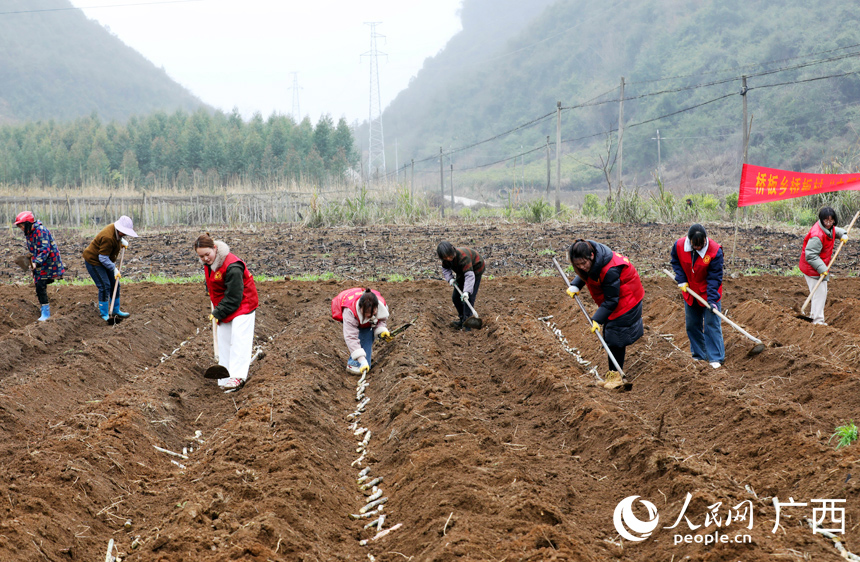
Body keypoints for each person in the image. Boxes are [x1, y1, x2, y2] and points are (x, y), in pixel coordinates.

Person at [565, 239, 644, 386]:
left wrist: (597, 319)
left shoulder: (610, 270)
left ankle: (615, 378)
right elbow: (589, 272)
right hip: (616, 296)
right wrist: (576, 284)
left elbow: (612, 300)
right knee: (611, 334)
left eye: (584, 263)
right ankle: (613, 375)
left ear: (592, 256)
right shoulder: (594, 260)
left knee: (615, 336)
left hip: (627, 297)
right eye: (578, 265)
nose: (582, 267)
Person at [194, 233, 259, 390]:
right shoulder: (208, 263)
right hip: (224, 304)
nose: (205, 259)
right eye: (201, 256)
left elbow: (234, 297)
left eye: (207, 254)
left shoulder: (232, 266)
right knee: (224, 341)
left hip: (243, 303)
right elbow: (212, 282)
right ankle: (224, 378)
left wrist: (217, 313)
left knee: (239, 339)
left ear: (215, 248)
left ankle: (237, 377)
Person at [670, 223, 725, 369]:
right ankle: (699, 356)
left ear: (706, 240)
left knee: (711, 325)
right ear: (690, 241)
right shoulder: (679, 245)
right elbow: (675, 262)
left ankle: (715, 358)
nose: (699, 248)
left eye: (701, 245)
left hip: (709, 292)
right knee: (692, 325)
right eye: (696, 245)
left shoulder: (715, 251)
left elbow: (715, 278)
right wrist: (681, 278)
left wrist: (712, 300)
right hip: (690, 292)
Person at [82, 215, 138, 321]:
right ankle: (104, 314)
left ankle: (116, 310)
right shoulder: (107, 237)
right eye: (124, 232)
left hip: (105, 260)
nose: (126, 234)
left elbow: (116, 238)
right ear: (120, 229)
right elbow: (102, 258)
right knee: (104, 285)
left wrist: (121, 241)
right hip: (94, 261)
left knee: (115, 283)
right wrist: (114, 268)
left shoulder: (116, 231)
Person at [799, 206, 847, 326]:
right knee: (820, 293)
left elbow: (835, 230)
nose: (829, 224)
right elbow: (810, 255)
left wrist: (843, 234)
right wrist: (822, 268)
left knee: (819, 293)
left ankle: (814, 317)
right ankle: (818, 321)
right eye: (826, 221)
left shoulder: (829, 228)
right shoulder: (817, 236)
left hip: (818, 266)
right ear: (821, 220)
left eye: (831, 221)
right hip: (812, 267)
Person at [14, 211, 65, 321]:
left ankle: (46, 314)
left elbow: (45, 249)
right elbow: (33, 250)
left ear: (28, 223)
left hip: (49, 261)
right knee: (38, 284)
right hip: (39, 261)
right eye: (20, 226)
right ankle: (45, 310)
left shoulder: (40, 231)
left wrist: (36, 263)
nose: (21, 228)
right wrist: (32, 265)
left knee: (40, 285)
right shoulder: (29, 233)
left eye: (22, 225)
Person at [331, 288, 392, 375]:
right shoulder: (349, 311)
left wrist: (381, 331)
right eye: (366, 313)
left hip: (362, 314)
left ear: (376, 307)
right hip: (342, 306)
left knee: (368, 334)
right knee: (364, 333)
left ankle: (359, 362)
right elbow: (351, 337)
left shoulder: (382, 305)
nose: (369, 315)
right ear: (360, 308)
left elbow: (382, 319)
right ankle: (353, 364)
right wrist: (362, 360)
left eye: (373, 313)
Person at [437, 241, 485, 331]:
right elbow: (445, 269)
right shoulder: (446, 259)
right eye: (445, 257)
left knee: (469, 298)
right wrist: (450, 278)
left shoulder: (463, 257)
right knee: (456, 297)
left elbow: (469, 276)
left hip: (475, 269)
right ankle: (462, 320)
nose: (448, 259)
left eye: (449, 256)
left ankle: (468, 324)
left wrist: (466, 292)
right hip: (462, 271)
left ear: (452, 250)